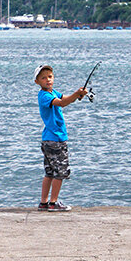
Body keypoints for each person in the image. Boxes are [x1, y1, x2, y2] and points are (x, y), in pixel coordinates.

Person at [35, 65, 88, 211]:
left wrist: (77, 95)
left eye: (50, 76)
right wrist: (76, 94)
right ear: (37, 81)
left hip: (48, 139)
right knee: (60, 172)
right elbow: (62, 103)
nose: (48, 80)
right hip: (55, 139)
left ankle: (43, 202)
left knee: (49, 173)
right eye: (43, 78)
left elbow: (65, 98)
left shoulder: (52, 92)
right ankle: (53, 203)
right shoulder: (45, 96)